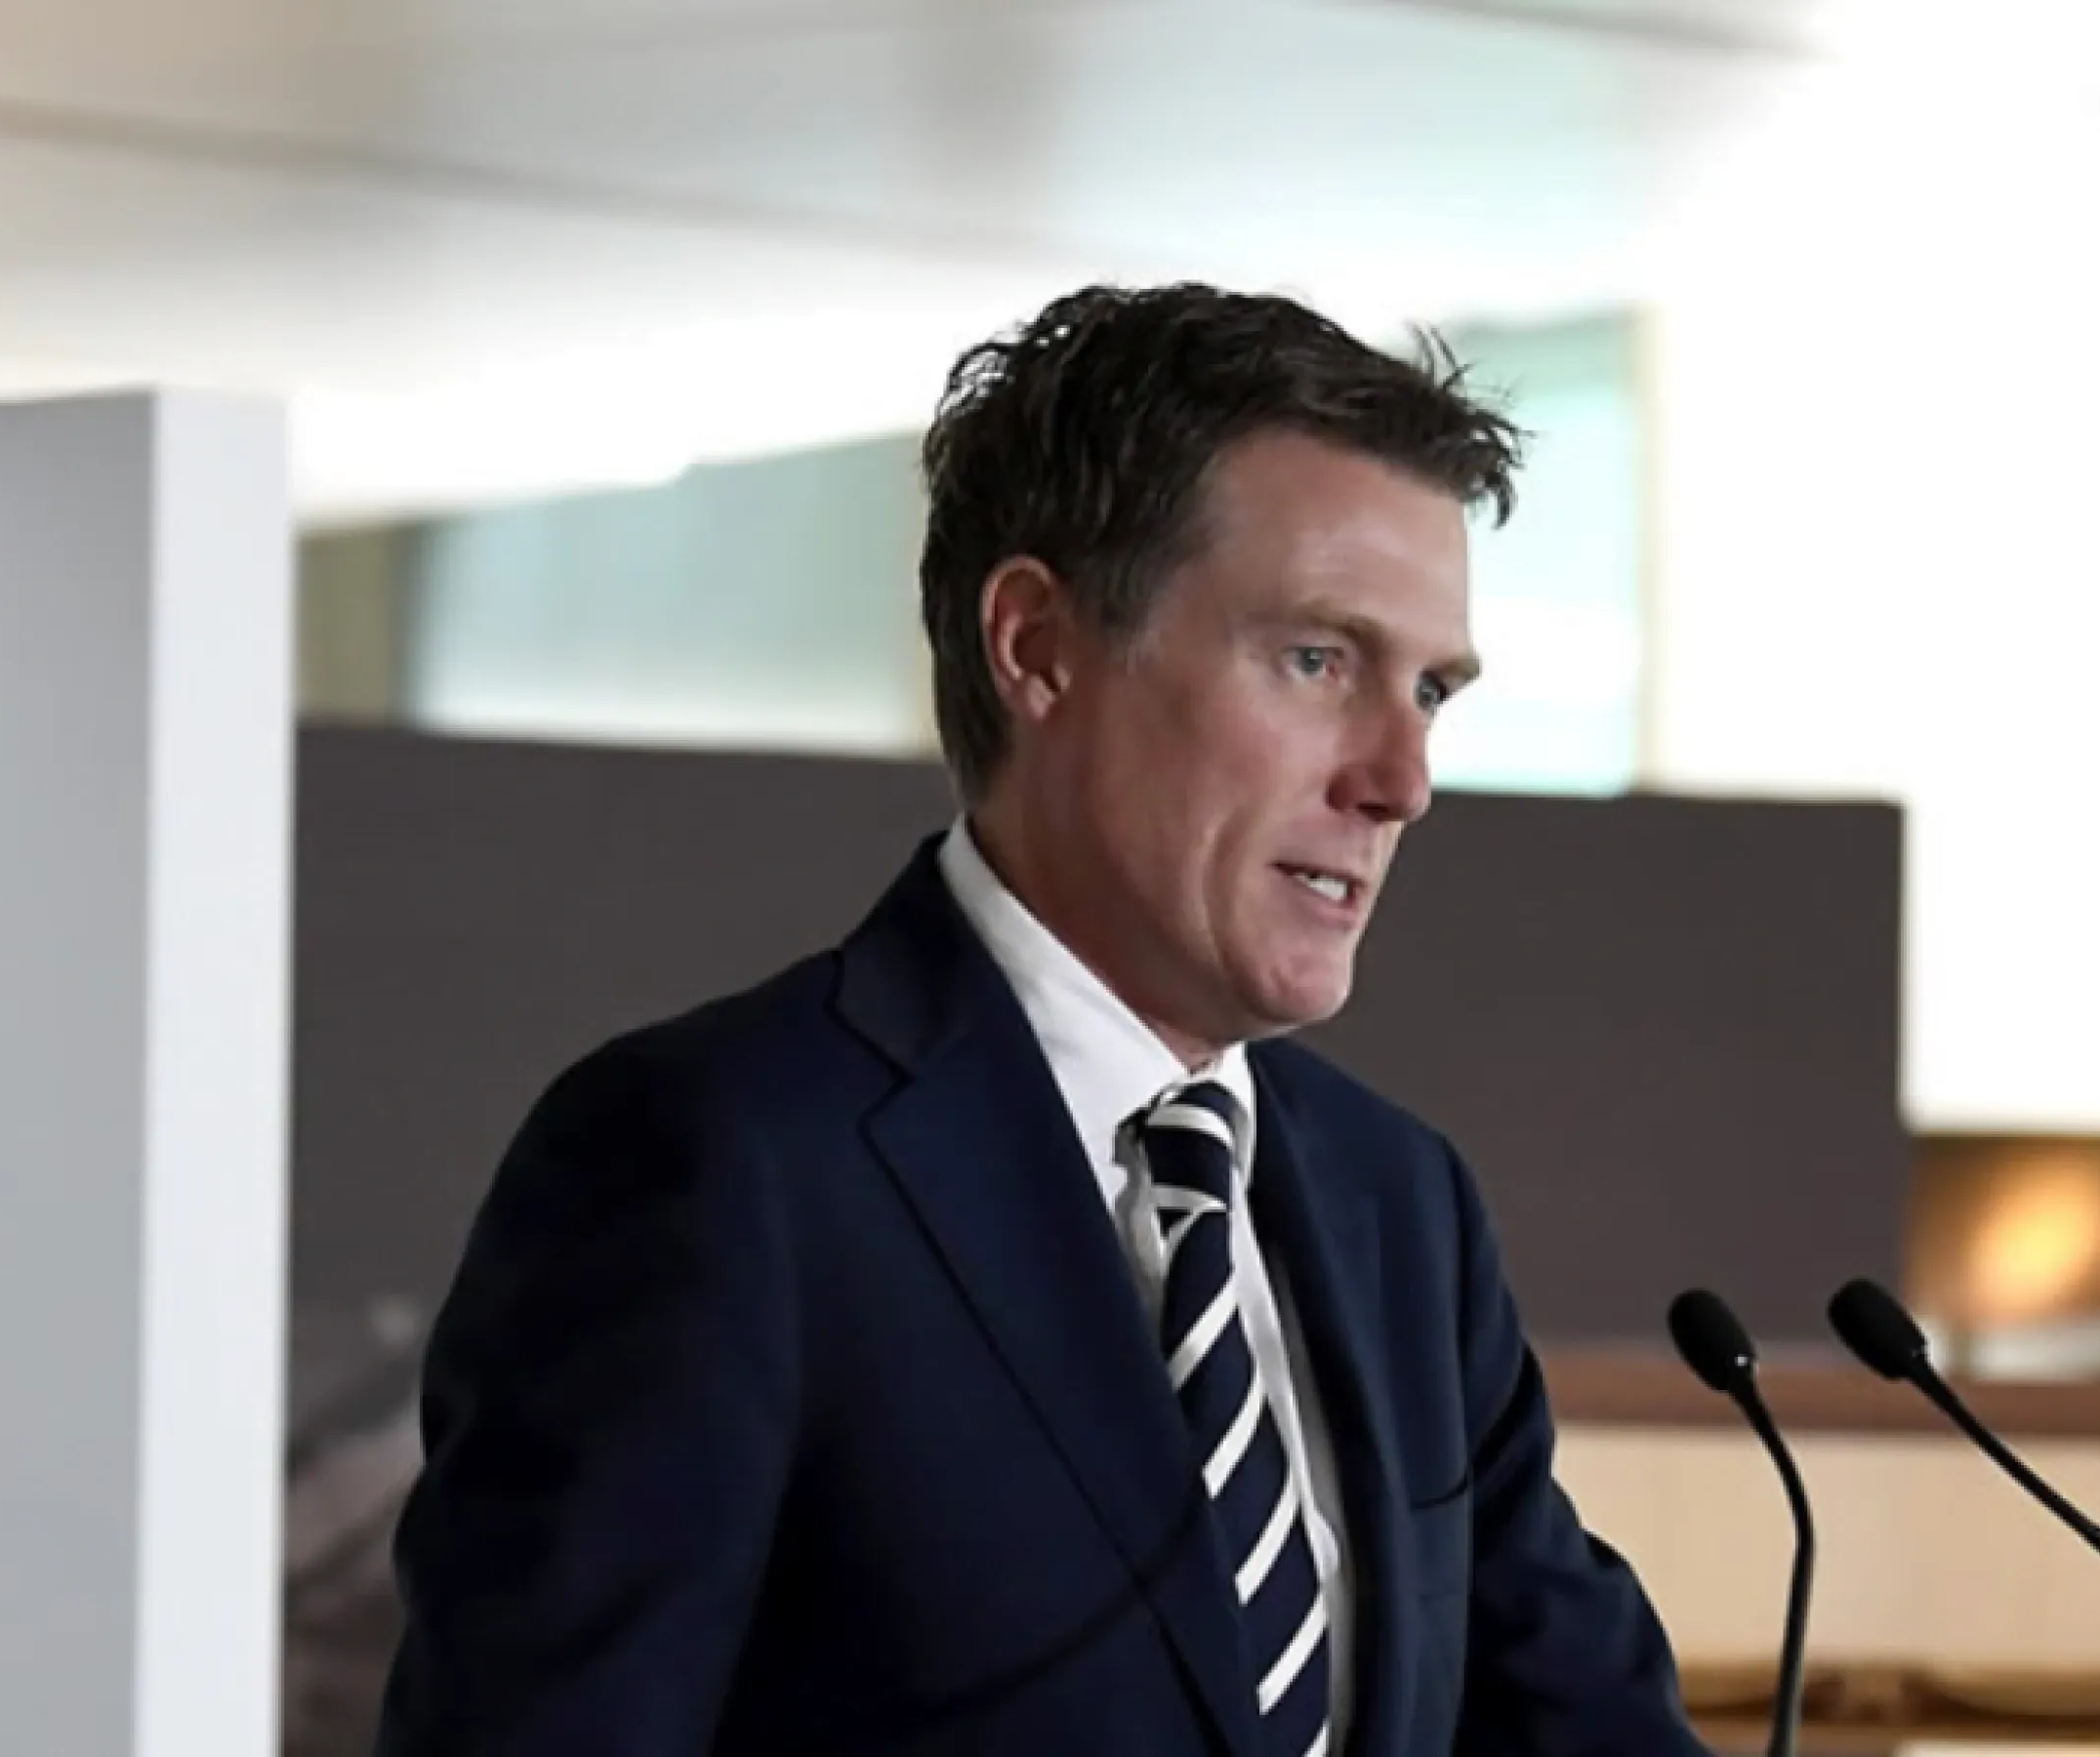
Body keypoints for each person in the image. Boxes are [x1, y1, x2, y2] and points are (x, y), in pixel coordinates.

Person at [374, 283, 1713, 1757]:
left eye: (1433, 692)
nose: (1402, 781)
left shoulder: (1402, 1207)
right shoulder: (715, 1162)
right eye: (1318, 661)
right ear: (1037, 645)